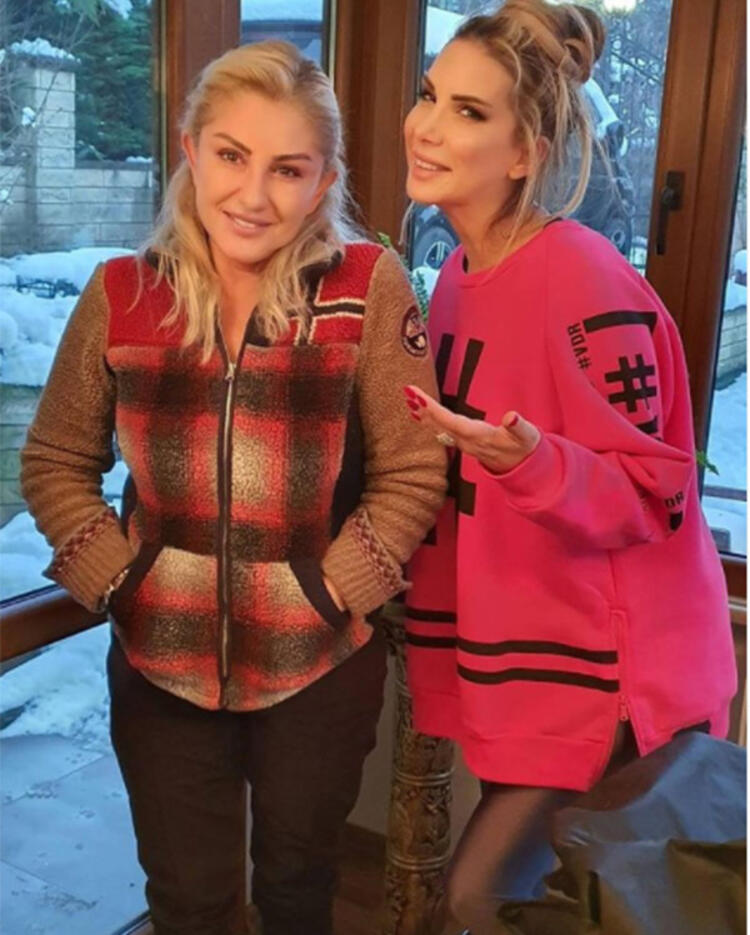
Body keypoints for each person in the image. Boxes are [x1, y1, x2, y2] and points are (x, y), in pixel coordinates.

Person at [21, 40, 446, 935]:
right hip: (158, 661)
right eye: (231, 155)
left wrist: (335, 589)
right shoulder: (121, 293)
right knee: (187, 901)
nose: (253, 195)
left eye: (288, 169)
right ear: (190, 148)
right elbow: (55, 458)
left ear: (324, 178)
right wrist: (122, 579)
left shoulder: (367, 290)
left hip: (320, 662)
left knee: (297, 890)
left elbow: (413, 467)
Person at [400, 2, 737, 932]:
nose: (427, 125)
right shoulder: (459, 276)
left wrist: (534, 460)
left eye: (470, 111)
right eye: (429, 94)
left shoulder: (582, 277)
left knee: (486, 894)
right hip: (520, 657)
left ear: (526, 152)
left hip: (611, 680)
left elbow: (653, 489)